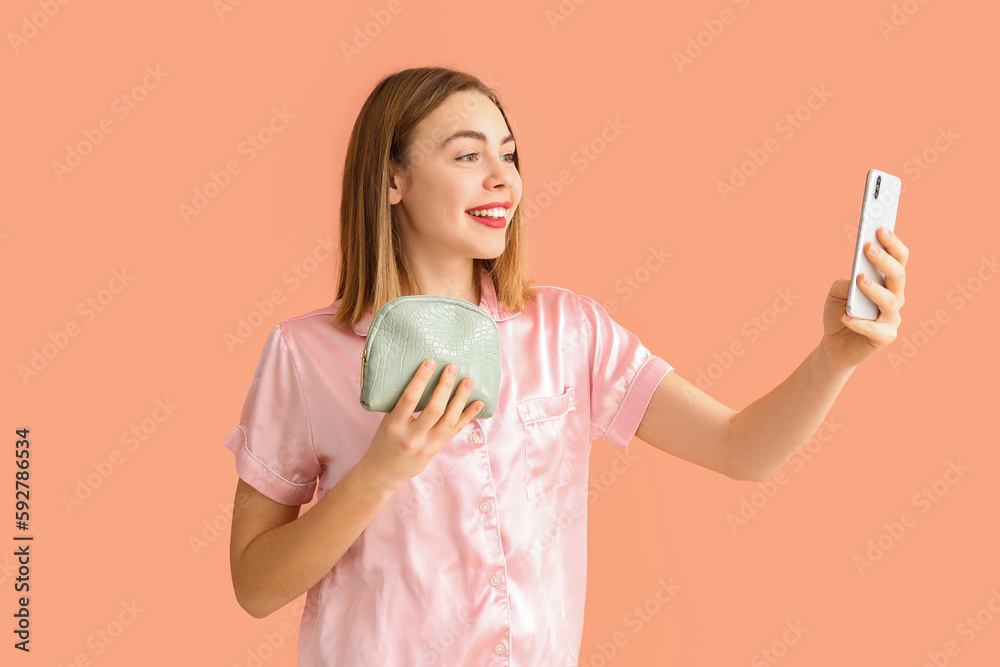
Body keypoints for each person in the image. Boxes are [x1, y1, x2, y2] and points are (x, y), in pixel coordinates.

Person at [221, 66, 909, 666]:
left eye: (510, 155)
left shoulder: (569, 331)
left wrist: (835, 358)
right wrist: (377, 475)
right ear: (392, 177)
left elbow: (740, 448)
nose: (502, 178)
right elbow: (255, 584)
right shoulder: (304, 355)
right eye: (467, 156)